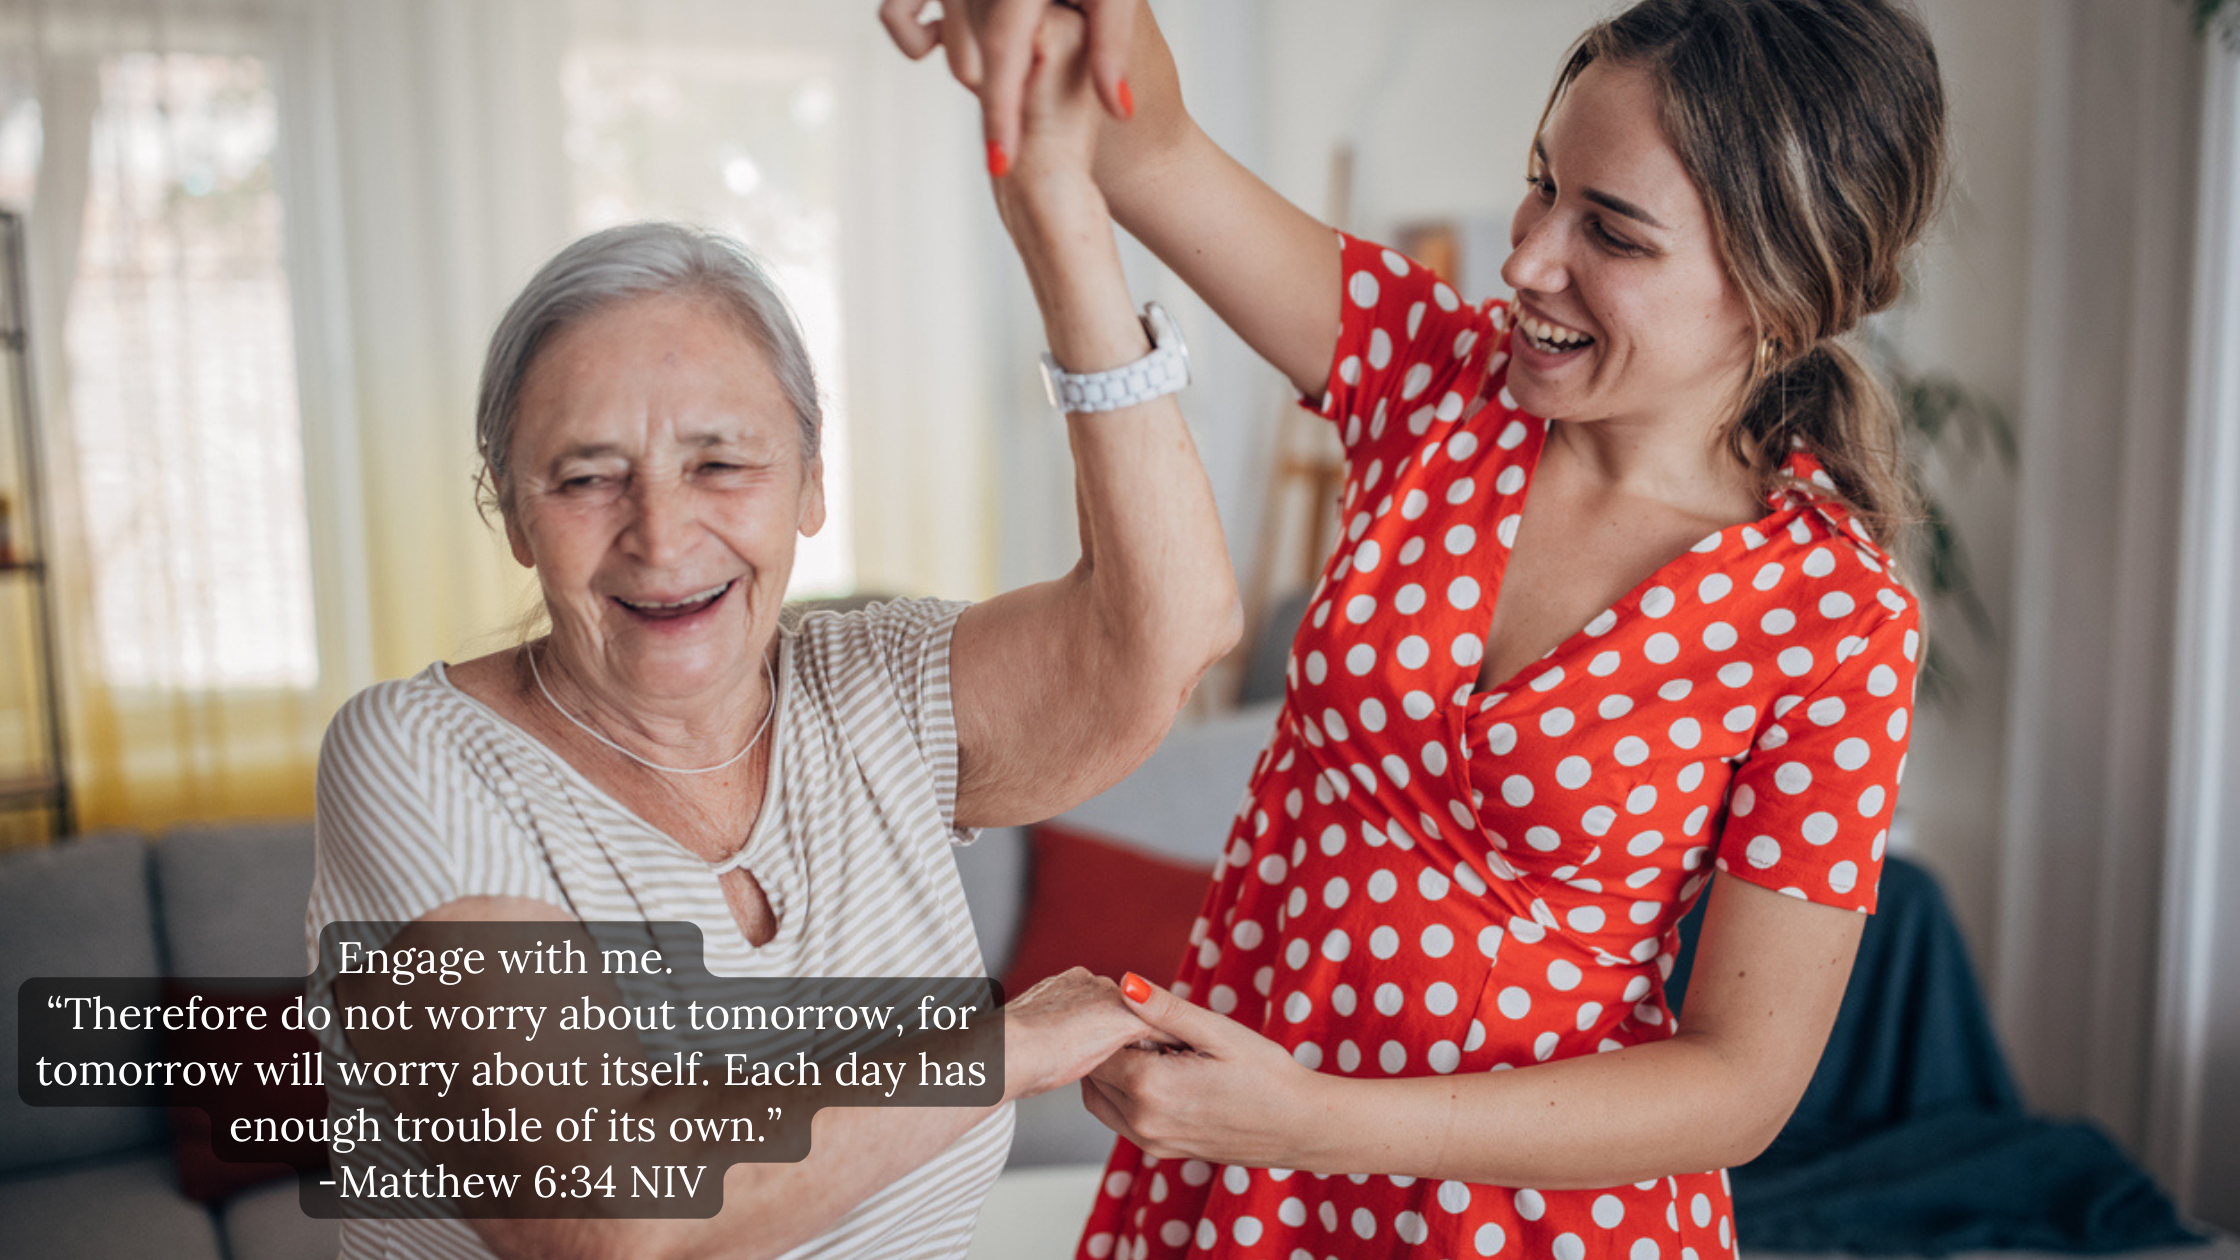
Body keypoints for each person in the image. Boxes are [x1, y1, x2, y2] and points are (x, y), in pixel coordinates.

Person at [886, 0, 1944, 1255]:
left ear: (1781, 291)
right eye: (1540, 187)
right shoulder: (1437, 382)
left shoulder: (1834, 619)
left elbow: (1740, 1085)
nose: (1527, 260)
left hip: (1536, 1223)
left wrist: (1321, 1125)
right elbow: (1149, 145)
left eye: (1609, 230)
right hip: (1239, 1184)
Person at [305, 12, 1236, 1257]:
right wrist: (1000, 1049)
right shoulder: (416, 756)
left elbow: (1169, 629)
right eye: (585, 478)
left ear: (809, 483)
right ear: (512, 517)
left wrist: (1059, 214)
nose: (660, 532)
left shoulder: (872, 688)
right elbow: (612, 1225)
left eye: (722, 461)